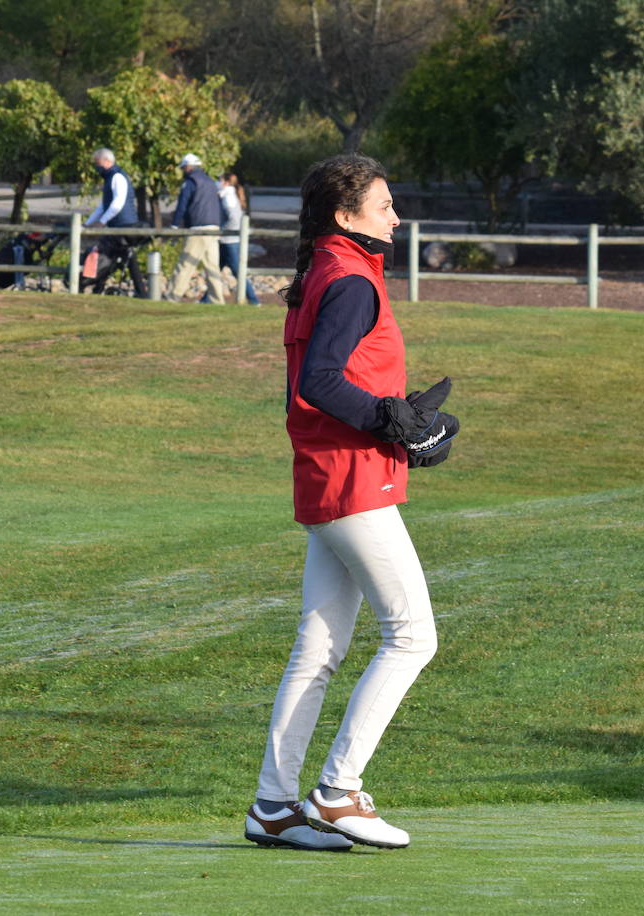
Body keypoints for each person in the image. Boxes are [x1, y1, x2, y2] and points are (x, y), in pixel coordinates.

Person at [244, 154, 459, 853]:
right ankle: (337, 793)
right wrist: (391, 422)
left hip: (328, 476)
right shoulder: (349, 279)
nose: (396, 216)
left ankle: (274, 808)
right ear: (345, 216)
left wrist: (399, 416)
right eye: (384, 205)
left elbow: (322, 386)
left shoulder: (328, 270)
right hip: (352, 481)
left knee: (321, 646)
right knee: (413, 635)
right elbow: (321, 384)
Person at [168, 153, 224, 303]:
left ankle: (173, 296)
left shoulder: (190, 182)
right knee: (212, 266)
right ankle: (218, 300)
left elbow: (182, 205)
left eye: (183, 167)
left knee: (185, 263)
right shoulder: (210, 181)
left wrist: (174, 225)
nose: (183, 170)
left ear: (188, 166)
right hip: (213, 227)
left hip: (198, 228)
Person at [213, 172, 259, 305]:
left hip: (229, 241)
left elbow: (233, 218)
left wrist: (222, 230)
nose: (217, 183)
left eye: (219, 180)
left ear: (226, 182)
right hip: (228, 240)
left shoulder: (228, 196)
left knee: (237, 270)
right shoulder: (229, 194)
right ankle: (207, 297)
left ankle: (253, 300)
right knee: (216, 268)